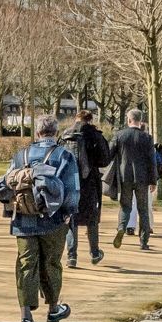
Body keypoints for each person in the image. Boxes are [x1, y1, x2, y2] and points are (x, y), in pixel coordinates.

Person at [0, 115, 79, 322]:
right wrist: (68, 214)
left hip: (23, 219)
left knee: (26, 264)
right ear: (56, 133)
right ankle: (53, 308)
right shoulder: (64, 155)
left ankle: (26, 315)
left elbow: (8, 184)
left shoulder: (21, 155)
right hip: (54, 219)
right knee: (51, 263)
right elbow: (72, 189)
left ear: (37, 133)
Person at [60, 107, 112, 267]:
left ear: (76, 119)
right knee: (92, 217)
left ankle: (72, 256)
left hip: (69, 181)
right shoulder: (96, 135)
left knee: (71, 217)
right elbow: (105, 159)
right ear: (90, 120)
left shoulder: (65, 135)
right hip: (90, 181)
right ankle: (94, 252)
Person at [106, 108, 160, 249]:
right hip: (142, 178)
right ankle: (144, 242)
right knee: (143, 209)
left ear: (129, 120)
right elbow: (152, 161)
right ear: (140, 120)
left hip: (125, 177)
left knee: (125, 206)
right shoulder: (147, 138)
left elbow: (108, 155)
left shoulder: (120, 135)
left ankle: (121, 228)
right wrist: (153, 180)